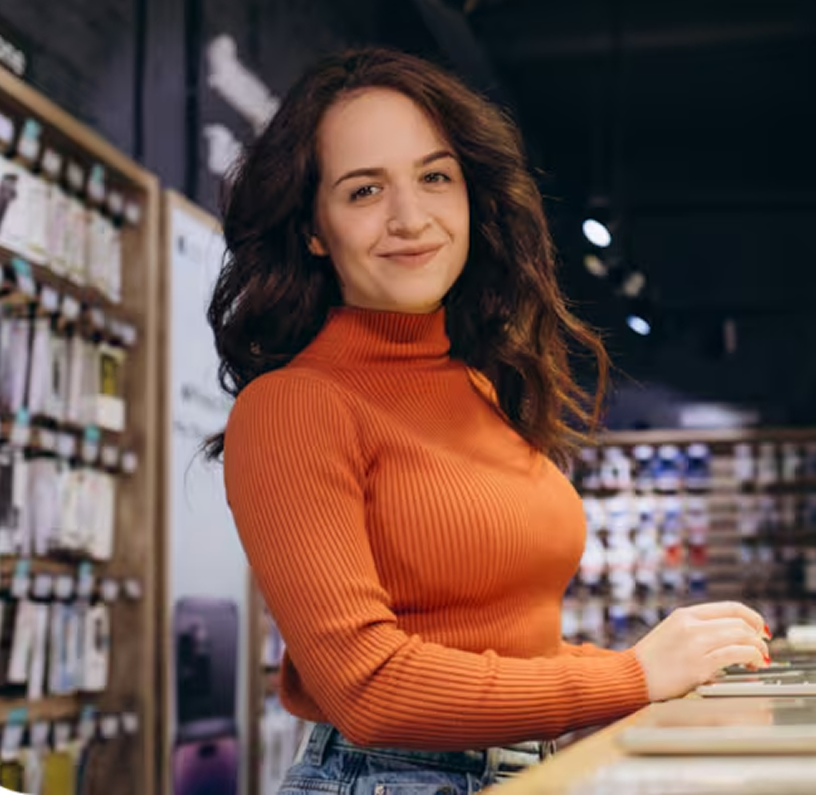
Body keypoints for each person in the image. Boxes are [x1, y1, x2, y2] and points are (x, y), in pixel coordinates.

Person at [205, 47, 771, 793]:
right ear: (314, 229)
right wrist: (635, 675)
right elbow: (368, 689)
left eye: (435, 177)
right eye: (364, 190)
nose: (411, 218)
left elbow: (507, 648)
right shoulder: (292, 407)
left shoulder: (476, 385)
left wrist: (666, 666)